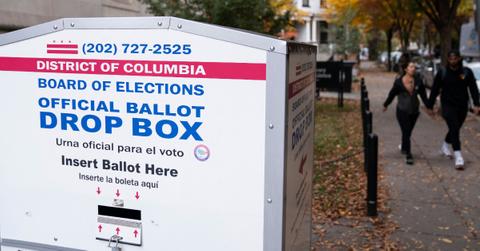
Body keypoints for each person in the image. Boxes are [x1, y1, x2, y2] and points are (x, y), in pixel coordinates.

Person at [427, 50, 480, 170]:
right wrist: (430, 106)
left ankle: (445, 145)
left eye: (455, 58)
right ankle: (458, 155)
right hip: (447, 105)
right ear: (448, 60)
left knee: (455, 128)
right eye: (450, 59)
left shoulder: (466, 72)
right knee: (454, 127)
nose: (452, 61)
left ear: (459, 59)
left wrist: (477, 104)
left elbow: (473, 89)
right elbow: (435, 89)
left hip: (462, 106)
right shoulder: (443, 72)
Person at [383, 60, 429, 165]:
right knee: (406, 131)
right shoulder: (399, 82)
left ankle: (404, 147)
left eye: (414, 67)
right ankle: (408, 155)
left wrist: (428, 106)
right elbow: (392, 94)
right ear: (406, 69)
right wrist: (386, 104)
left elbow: (423, 96)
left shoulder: (418, 81)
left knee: (407, 132)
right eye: (411, 67)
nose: (413, 69)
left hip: (414, 111)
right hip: (402, 110)